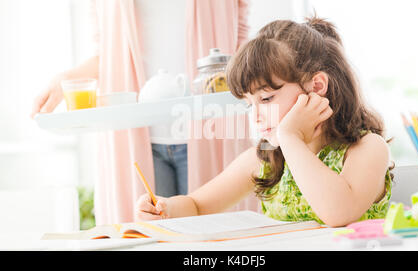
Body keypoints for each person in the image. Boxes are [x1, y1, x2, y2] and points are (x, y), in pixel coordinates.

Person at [135, 16, 394, 227]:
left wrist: (291, 137)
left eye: (267, 98)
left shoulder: (368, 148)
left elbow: (338, 213)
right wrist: (165, 208)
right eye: (249, 104)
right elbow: (198, 206)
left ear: (317, 86)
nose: (256, 115)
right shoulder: (265, 159)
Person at [30, 0, 255, 225]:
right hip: (135, 138)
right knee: (148, 238)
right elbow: (106, 53)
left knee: (212, 236)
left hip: (214, 130)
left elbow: (239, 42)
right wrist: (67, 79)